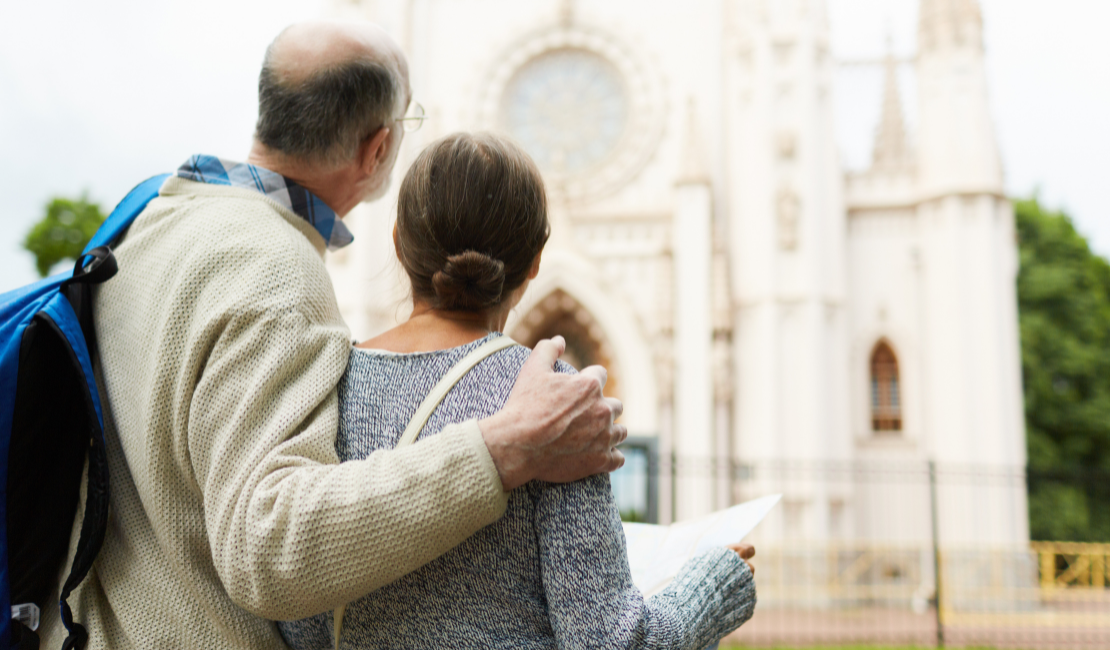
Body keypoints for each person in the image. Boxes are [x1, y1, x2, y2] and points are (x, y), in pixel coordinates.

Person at [37, 21, 626, 650]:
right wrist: (505, 446)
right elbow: (267, 545)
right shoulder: (276, 271)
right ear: (376, 152)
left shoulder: (149, 225)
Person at [277, 132, 757, 650]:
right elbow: (611, 643)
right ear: (534, 262)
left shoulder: (327, 384)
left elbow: (296, 611)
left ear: (397, 241)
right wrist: (715, 585)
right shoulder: (556, 403)